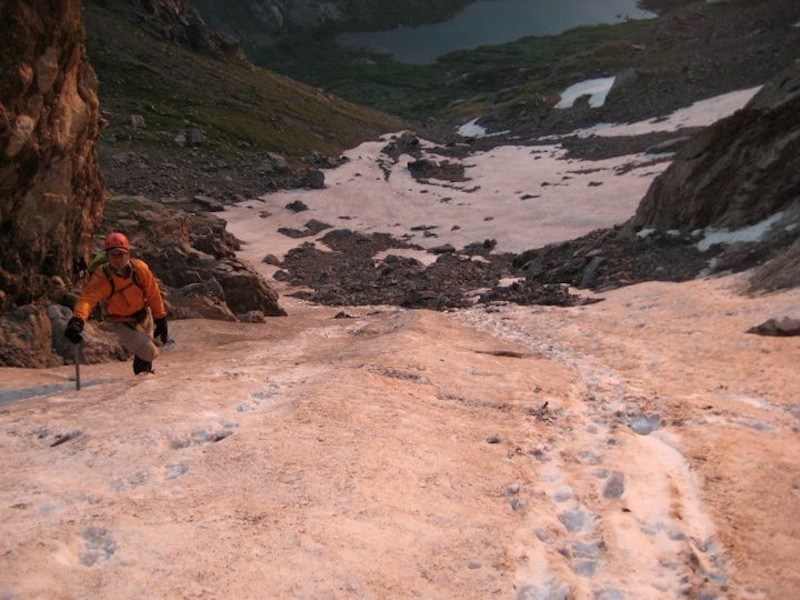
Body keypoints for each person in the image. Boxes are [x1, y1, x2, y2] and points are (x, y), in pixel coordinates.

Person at [64, 232, 169, 374]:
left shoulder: (140, 269)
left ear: (128, 254)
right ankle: (142, 377)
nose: (117, 259)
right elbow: (88, 299)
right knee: (150, 352)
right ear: (107, 257)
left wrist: (160, 318)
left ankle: (142, 381)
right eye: (113, 255)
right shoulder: (102, 277)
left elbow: (153, 293)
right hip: (120, 321)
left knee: (145, 356)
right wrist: (78, 319)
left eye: (121, 254)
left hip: (144, 315)